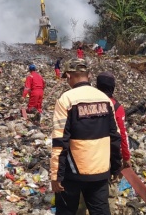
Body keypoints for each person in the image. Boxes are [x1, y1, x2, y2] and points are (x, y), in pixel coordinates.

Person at [50, 59, 122, 215]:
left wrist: (56, 176)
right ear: (89, 75)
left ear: (68, 75)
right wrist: (116, 167)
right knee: (101, 211)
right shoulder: (104, 99)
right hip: (100, 171)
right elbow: (115, 137)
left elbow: (60, 141)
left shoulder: (66, 100)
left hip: (73, 174)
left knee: (67, 211)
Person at [77, 72, 131, 214]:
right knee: (107, 193)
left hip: (85, 154)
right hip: (107, 157)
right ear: (113, 88)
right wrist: (125, 157)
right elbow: (121, 136)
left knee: (83, 190)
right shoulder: (116, 107)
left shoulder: (86, 103)